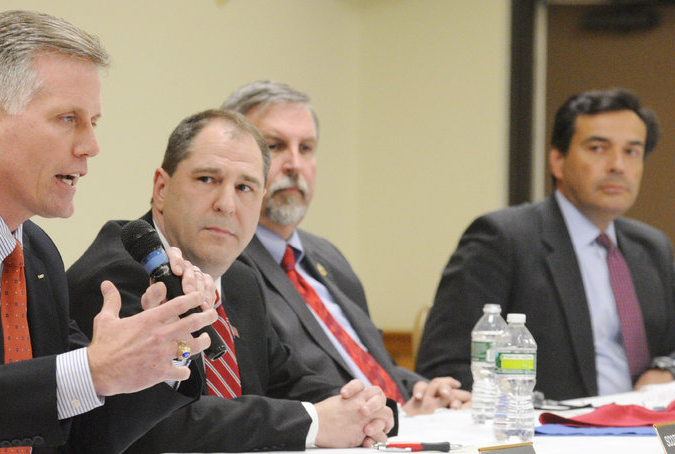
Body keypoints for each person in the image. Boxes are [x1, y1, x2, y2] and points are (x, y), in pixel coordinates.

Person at [0, 11, 218, 453]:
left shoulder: (37, 254)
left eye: (94, 121)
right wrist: (93, 370)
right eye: (68, 119)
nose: (91, 146)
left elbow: (81, 430)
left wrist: (164, 347)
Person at [67, 109, 396, 452]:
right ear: (161, 189)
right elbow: (160, 426)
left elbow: (290, 381)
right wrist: (314, 423)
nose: (226, 204)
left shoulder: (240, 280)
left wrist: (364, 410)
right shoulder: (113, 277)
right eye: (207, 179)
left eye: (245, 187)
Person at [223, 80, 470, 414]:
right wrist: (385, 410)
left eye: (306, 148)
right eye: (275, 146)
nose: (295, 164)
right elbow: (273, 388)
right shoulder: (226, 263)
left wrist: (419, 390)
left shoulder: (326, 256)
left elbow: (368, 363)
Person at [416, 88, 675, 401]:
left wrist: (666, 369)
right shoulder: (502, 238)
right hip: (552, 431)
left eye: (632, 152)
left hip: (650, 430)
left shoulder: (651, 246)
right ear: (557, 160)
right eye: (597, 148)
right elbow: (444, 366)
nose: (618, 165)